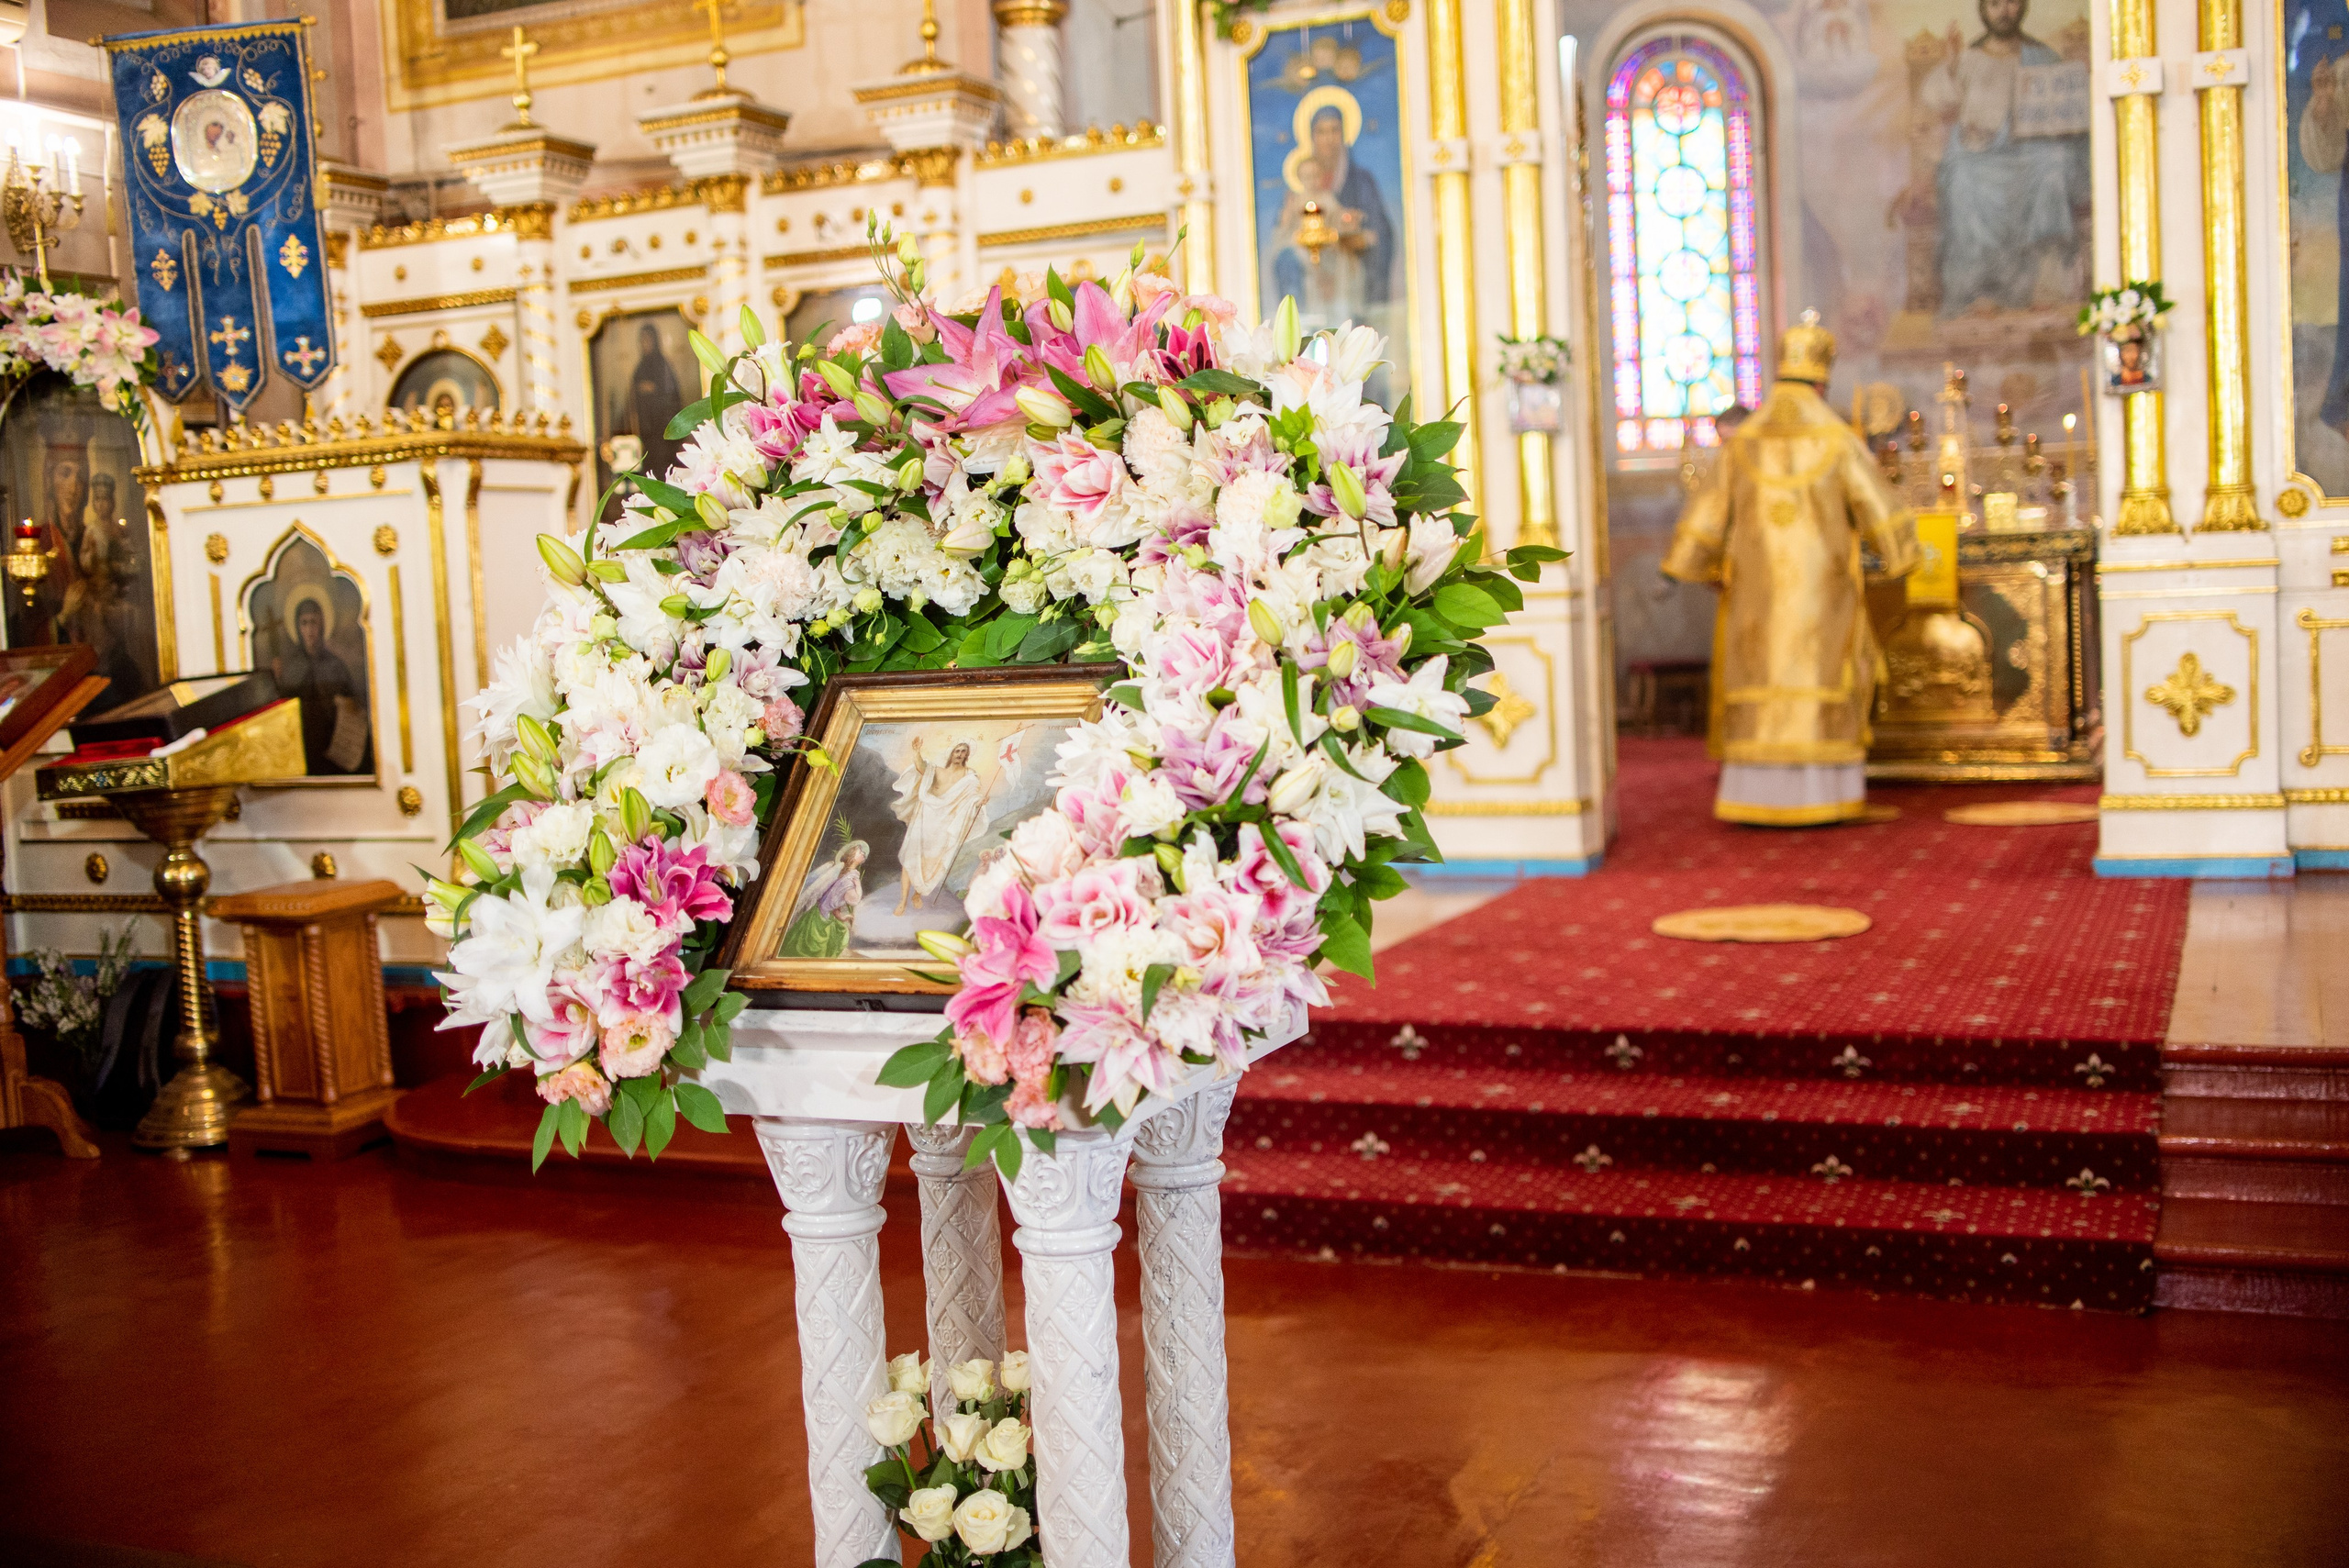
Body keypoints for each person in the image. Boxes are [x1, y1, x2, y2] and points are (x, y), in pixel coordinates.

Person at [1662, 311, 1921, 826]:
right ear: (1822, 380)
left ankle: (1757, 796)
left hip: (1756, 589)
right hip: (1823, 590)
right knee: (1820, 670)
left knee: (1762, 671)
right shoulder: (1837, 437)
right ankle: (1821, 796)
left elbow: (1706, 516)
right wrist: (1901, 556)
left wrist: (1695, 563)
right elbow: (1880, 508)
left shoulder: (1746, 440)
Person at [1917, 0, 2089, 314]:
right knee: (1964, 180)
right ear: (1984, 11)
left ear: (2022, 7)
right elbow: (1936, 100)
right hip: (1978, 156)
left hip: (2030, 156)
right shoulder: (1967, 58)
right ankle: (1978, 290)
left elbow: (2068, 111)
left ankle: (2046, 285)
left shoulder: (2043, 58)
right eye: (1995, 4)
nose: (2004, 12)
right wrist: (1952, 65)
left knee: (2054, 164)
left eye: (2011, 2)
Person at [1269, 101, 1396, 334]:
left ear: (1344, 134)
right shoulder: (1294, 197)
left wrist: (1355, 232)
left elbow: (1376, 233)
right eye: (1321, 131)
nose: (1328, 138)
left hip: (1341, 271)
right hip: (1308, 272)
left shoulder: (1360, 182)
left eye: (1334, 130)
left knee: (1342, 321)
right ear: (1311, 136)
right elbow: (1282, 235)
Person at [890, 739, 995, 917]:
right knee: (911, 857)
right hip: (925, 817)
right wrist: (916, 752)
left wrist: (979, 801)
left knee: (931, 864)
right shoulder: (937, 770)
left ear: (966, 755)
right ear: (951, 753)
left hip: (944, 824)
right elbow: (921, 767)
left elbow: (973, 796)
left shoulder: (969, 776)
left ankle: (917, 895)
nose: (959, 754)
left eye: (963, 751)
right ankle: (902, 901)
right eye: (957, 751)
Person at [272, 595, 368, 774]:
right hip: (302, 744)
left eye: (314, 623)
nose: (310, 630)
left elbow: (355, 706)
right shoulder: (290, 666)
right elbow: (281, 707)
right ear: (297, 627)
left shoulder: (335, 664)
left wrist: (347, 704)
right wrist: (277, 680)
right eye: (304, 623)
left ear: (322, 625)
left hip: (333, 746)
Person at [779, 838, 869, 958]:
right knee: (814, 952)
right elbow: (854, 900)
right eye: (860, 852)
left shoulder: (842, 874)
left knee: (840, 933)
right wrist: (858, 884)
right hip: (818, 923)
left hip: (817, 915)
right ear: (852, 856)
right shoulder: (849, 880)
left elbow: (832, 904)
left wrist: (842, 918)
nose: (864, 854)